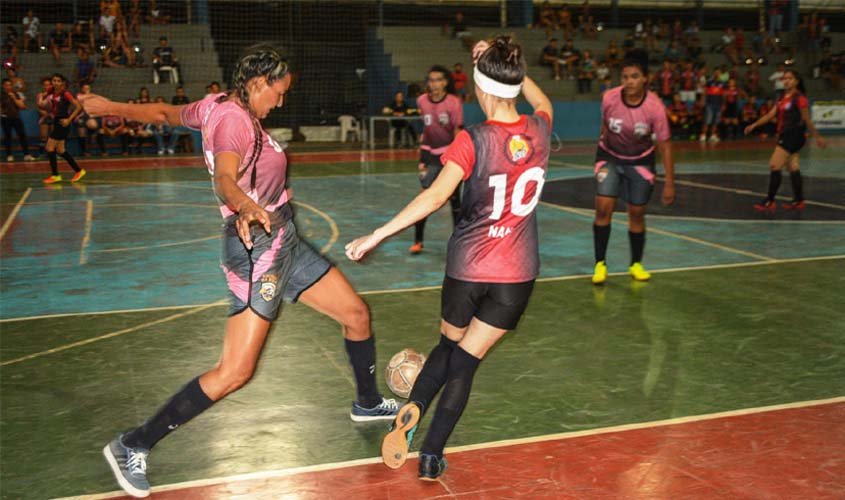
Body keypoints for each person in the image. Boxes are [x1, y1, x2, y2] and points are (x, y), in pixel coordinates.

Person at [80, 44, 399, 498]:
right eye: (279, 92)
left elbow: (165, 113)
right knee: (235, 371)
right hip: (257, 249)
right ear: (257, 82)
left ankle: (366, 403)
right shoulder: (233, 121)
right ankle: (133, 444)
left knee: (356, 315)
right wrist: (245, 205)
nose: (281, 101)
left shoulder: (215, 105)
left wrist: (110, 106)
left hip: (284, 238)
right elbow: (224, 179)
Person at [345, 35, 552, 481]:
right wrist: (508, 65)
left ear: (479, 87)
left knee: (447, 347)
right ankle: (432, 455)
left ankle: (415, 405)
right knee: (466, 363)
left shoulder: (472, 139)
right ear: (515, 83)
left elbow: (436, 197)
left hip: (468, 270)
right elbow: (542, 101)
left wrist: (378, 234)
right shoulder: (540, 129)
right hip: (516, 275)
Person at [591, 50, 675, 285]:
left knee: (636, 213)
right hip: (609, 156)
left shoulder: (655, 107)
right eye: (625, 77)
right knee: (603, 209)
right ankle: (600, 264)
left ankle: (636, 264)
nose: (629, 82)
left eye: (635, 77)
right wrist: (601, 150)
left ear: (645, 79)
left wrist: (669, 183)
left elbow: (665, 146)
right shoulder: (609, 98)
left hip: (640, 161)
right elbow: (604, 125)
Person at [744, 69, 825, 212]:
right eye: (785, 78)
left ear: (796, 81)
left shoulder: (799, 98)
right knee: (793, 167)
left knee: (774, 165)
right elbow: (770, 114)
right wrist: (754, 125)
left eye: (790, 78)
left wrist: (817, 137)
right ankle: (799, 200)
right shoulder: (781, 97)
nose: (787, 81)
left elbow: (806, 119)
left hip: (793, 136)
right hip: (785, 135)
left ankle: (769, 201)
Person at [410, 64, 463, 254]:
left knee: (455, 200)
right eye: (431, 80)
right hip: (429, 156)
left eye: (438, 80)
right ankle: (418, 241)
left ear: (445, 82)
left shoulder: (453, 103)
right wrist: (422, 158)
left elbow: (458, 131)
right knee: (423, 197)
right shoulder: (421, 101)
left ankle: (459, 244)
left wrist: (457, 158)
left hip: (450, 155)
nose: (434, 84)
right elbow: (426, 129)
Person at [42, 74, 86, 184]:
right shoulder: (52, 92)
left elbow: (79, 107)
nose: (56, 82)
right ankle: (79, 171)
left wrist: (69, 120)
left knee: (49, 148)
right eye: (54, 80)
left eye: (58, 81)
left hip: (63, 123)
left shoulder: (66, 94)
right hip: (57, 121)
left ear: (62, 83)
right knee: (61, 150)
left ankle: (55, 175)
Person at [1, 78, 36, 161]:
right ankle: (9, 155)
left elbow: (23, 106)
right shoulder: (1, 95)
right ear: (3, 86)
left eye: (10, 85)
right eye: (6, 85)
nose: (8, 87)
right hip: (5, 118)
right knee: (8, 136)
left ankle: (26, 155)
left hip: (16, 118)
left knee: (22, 135)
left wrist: (14, 98)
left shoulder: (16, 94)